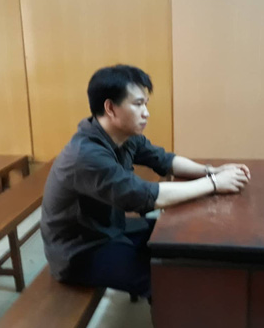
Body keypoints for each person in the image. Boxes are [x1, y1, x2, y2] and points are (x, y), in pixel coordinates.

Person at [40, 64, 250, 301]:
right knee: (164, 281)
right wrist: (213, 183)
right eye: (138, 104)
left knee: (180, 235)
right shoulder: (85, 156)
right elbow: (146, 196)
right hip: (80, 250)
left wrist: (210, 171)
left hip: (109, 228)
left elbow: (165, 160)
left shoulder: (124, 136)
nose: (146, 113)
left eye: (145, 104)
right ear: (111, 108)